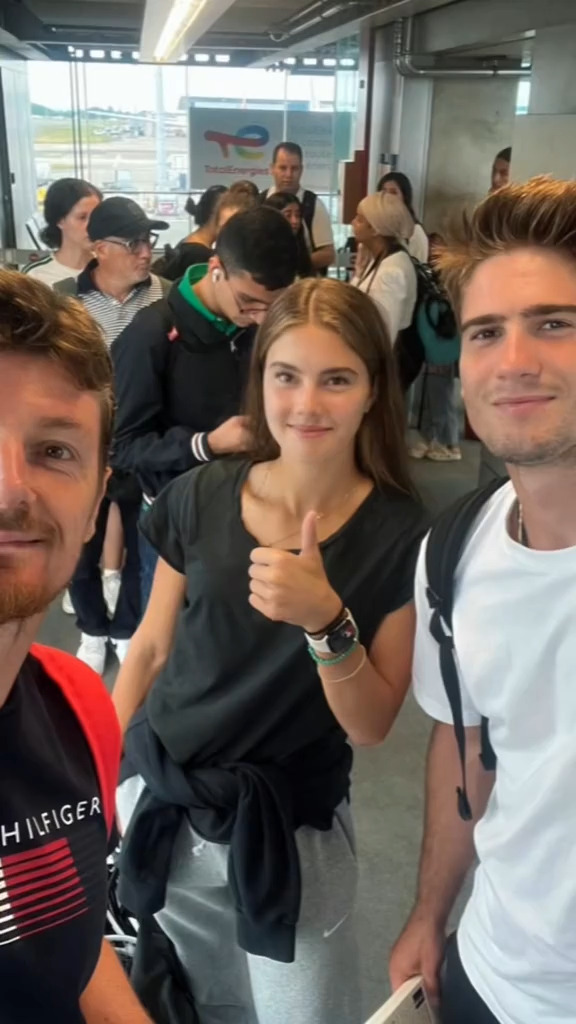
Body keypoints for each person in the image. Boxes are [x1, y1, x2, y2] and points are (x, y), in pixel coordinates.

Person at [112, 277, 428, 1024]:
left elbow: (370, 724)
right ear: (259, 381)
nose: (307, 404)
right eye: (287, 376)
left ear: (373, 392)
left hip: (290, 831)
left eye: (337, 380)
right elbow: (150, 648)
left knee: (300, 1014)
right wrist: (95, 775)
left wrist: (326, 622)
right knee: (194, 1003)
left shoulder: (400, 532)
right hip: (167, 801)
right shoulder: (201, 494)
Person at [389, 176, 576, 1024]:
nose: (514, 361)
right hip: (490, 977)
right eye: (486, 332)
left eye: (554, 324)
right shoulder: (456, 548)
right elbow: (466, 740)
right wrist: (431, 913)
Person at [0, 269, 151, 1023]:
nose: (10, 490)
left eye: (54, 451)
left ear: (96, 504)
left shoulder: (81, 708)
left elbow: (66, 938)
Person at [111, 205, 299, 608]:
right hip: (175, 522)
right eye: (248, 302)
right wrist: (205, 444)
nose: (260, 318)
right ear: (216, 268)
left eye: (273, 306)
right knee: (170, 633)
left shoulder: (262, 327)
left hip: (254, 514)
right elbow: (123, 448)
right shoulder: (151, 335)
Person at [60, 196, 170, 675]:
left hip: (144, 445)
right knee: (79, 546)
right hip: (83, 448)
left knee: (142, 544)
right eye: (133, 243)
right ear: (100, 249)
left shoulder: (164, 296)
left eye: (149, 240)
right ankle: (92, 629)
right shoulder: (67, 303)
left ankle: (125, 628)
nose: (146, 253)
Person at [351, 192, 417, 344]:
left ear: (375, 230)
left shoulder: (392, 272)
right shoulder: (380, 258)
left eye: (359, 219)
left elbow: (386, 335)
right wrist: (358, 274)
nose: (353, 222)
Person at [155, 189, 257, 281]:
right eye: (224, 227)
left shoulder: (190, 243)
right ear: (214, 218)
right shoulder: (200, 256)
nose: (228, 235)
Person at [264, 142, 335, 273]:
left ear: (301, 170)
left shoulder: (313, 204)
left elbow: (328, 254)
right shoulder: (259, 201)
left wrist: (291, 265)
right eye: (283, 168)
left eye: (294, 168)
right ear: (272, 168)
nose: (288, 174)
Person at [22, 177, 102, 285]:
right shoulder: (35, 275)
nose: (92, 224)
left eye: (96, 215)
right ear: (60, 221)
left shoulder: (111, 267)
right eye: (82, 217)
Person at [378, 172, 429, 264]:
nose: (387, 197)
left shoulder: (415, 232)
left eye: (393, 192)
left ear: (404, 197)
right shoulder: (377, 228)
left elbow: (417, 266)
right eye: (383, 192)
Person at [263, 191, 314, 277]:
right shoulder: (261, 253)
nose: (295, 221)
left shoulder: (299, 249)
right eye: (288, 215)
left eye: (297, 215)